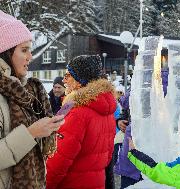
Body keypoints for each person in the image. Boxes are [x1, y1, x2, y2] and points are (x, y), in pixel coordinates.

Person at [0, 10, 64, 189]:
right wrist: (31, 134)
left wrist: (46, 128)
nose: (30, 57)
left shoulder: (24, 92)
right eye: (24, 50)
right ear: (5, 52)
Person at [46, 55, 117, 189]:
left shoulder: (77, 112)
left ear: (79, 81)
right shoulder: (105, 109)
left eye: (68, 76)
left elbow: (57, 163)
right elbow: (107, 158)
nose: (64, 80)